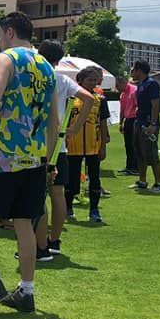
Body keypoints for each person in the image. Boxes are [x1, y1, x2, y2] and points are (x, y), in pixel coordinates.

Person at [0, 11, 59, 313]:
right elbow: (54, 122)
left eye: (0, 35)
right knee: (23, 223)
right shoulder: (46, 66)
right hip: (33, 157)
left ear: (9, 32)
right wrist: (47, 158)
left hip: (1, 154)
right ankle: (26, 290)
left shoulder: (7, 59)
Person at [32, 40, 93, 259]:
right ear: (58, 60)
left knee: (37, 195)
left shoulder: (36, 77)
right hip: (59, 145)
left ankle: (40, 245)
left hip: (37, 143)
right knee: (57, 194)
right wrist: (75, 128)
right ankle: (53, 240)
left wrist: (74, 128)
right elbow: (90, 98)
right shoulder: (62, 79)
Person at [64, 67, 110, 223]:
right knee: (72, 178)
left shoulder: (100, 100)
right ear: (80, 81)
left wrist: (103, 145)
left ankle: (94, 210)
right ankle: (68, 208)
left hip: (93, 145)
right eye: (90, 79)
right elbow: (65, 121)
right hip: (73, 145)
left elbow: (103, 123)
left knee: (95, 178)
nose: (93, 83)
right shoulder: (71, 99)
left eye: (95, 80)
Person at [129, 60, 160, 193]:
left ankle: (158, 183)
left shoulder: (152, 84)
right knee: (139, 152)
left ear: (139, 70)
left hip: (149, 124)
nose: (132, 72)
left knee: (151, 153)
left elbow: (155, 105)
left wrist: (153, 124)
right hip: (139, 122)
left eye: (133, 69)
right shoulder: (140, 84)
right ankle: (142, 181)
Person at [116, 74, 138, 175]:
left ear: (123, 82)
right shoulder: (123, 94)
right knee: (128, 145)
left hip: (135, 119)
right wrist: (121, 123)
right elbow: (122, 109)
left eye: (117, 85)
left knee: (134, 144)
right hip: (128, 120)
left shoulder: (134, 90)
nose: (116, 88)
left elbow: (138, 106)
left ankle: (135, 167)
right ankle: (129, 166)